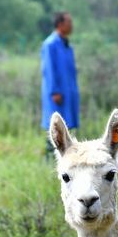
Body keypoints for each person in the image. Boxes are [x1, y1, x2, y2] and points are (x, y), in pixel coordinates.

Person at [41, 12, 79, 151]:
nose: (71, 25)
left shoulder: (67, 45)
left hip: (68, 91)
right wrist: (54, 91)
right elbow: (49, 70)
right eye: (69, 22)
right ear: (60, 24)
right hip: (57, 93)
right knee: (55, 124)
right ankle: (49, 154)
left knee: (67, 125)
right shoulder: (50, 44)